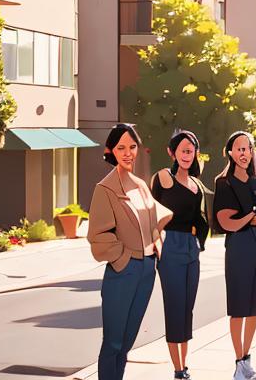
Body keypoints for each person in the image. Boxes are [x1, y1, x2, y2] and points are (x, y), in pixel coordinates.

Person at [87, 123, 172, 380]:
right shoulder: (105, 189)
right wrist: (124, 258)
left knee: (126, 343)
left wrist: (156, 248)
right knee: (112, 342)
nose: (127, 153)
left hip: (147, 270)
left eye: (132, 147)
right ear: (110, 151)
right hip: (123, 271)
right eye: (121, 147)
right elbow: (98, 236)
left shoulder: (141, 185)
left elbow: (156, 220)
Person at [213, 131, 256, 380]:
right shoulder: (225, 183)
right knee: (239, 307)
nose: (244, 153)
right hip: (240, 246)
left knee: (255, 306)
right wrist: (251, 217)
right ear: (230, 152)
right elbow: (225, 221)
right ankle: (239, 361)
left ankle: (246, 357)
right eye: (239, 148)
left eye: (248, 148)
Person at [151, 131, 210, 380]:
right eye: (183, 150)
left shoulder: (196, 185)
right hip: (169, 244)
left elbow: (200, 219)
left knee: (187, 308)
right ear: (172, 152)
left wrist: (200, 241)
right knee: (174, 306)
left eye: (191, 150)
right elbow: (150, 212)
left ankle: (184, 365)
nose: (187, 155)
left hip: (190, 247)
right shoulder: (163, 177)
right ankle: (178, 369)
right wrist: (155, 243)